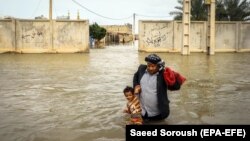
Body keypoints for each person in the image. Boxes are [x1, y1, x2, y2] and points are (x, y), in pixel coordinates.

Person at [133, 54, 185, 121]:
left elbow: (176, 87)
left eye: (153, 66)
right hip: (142, 112)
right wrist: (136, 86)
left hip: (157, 114)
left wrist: (170, 76)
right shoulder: (141, 69)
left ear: (158, 66)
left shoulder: (163, 75)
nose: (150, 68)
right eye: (148, 65)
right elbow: (135, 76)